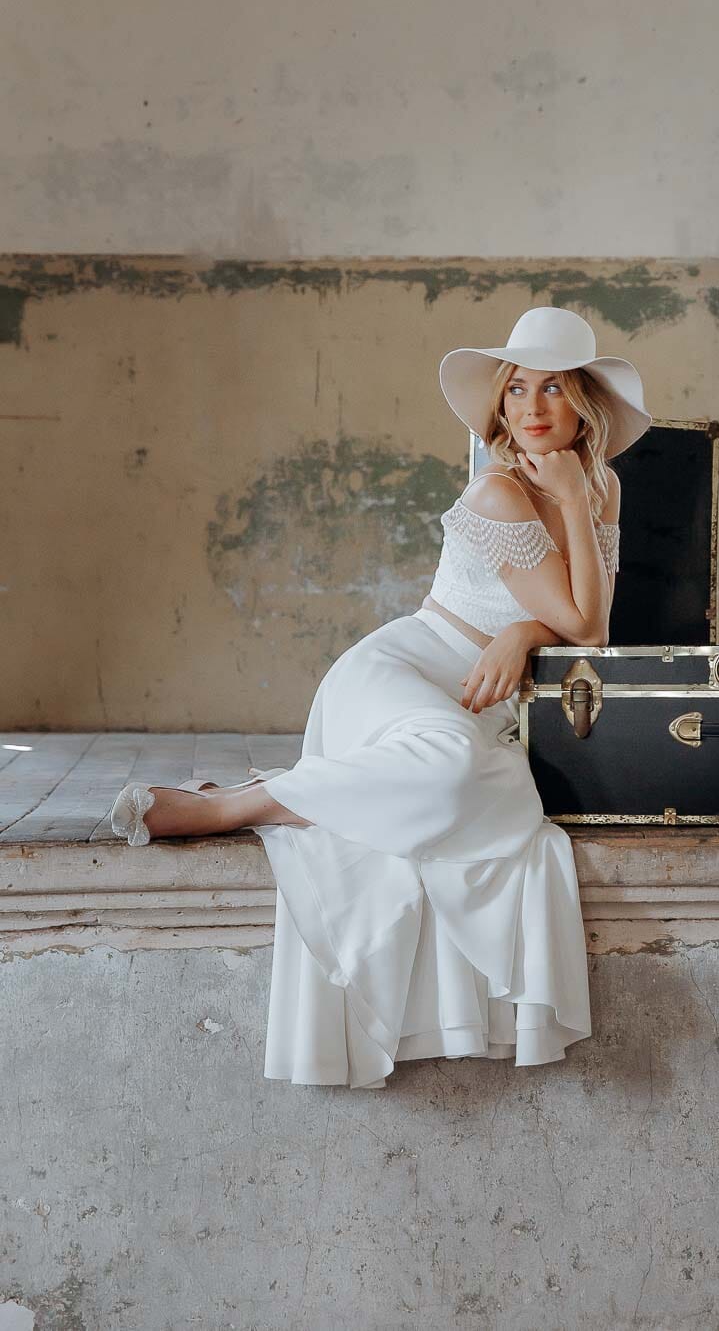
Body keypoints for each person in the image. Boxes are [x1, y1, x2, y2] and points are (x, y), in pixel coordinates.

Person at [110, 305, 652, 1089]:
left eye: (553, 390)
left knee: (499, 796)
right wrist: (535, 623)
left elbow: (589, 629)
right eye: (517, 391)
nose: (531, 410)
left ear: (584, 405)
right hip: (404, 669)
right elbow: (581, 622)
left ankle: (266, 793)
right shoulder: (498, 493)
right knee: (451, 774)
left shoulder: (598, 490)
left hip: (485, 704)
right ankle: (239, 803)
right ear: (500, 405)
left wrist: (524, 627)